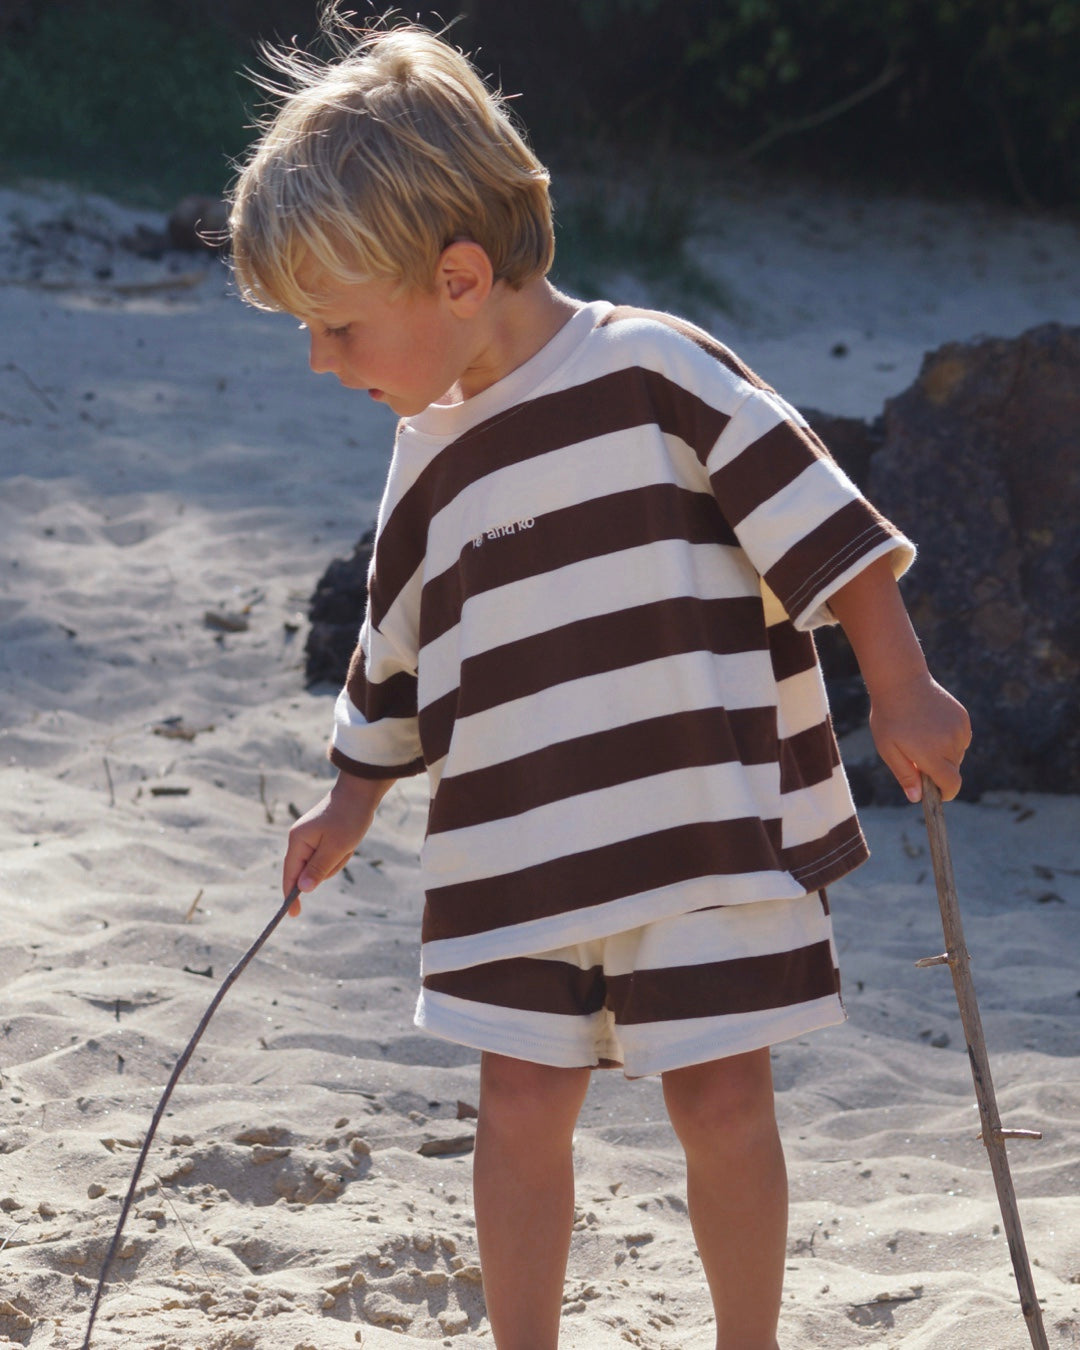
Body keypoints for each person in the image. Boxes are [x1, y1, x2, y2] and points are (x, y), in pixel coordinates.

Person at [228, 12, 971, 1349]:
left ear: (458, 279)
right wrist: (350, 798)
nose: (322, 364)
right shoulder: (429, 453)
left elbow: (826, 524)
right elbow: (392, 644)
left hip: (700, 830)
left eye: (336, 328)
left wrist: (902, 682)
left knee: (724, 1099)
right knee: (515, 1106)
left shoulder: (657, 370)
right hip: (516, 845)